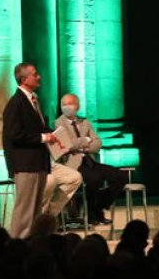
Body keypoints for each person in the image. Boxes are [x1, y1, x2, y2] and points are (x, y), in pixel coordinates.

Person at [3, 62, 66, 239]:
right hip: (25, 163)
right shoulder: (16, 103)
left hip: (37, 162)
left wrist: (52, 135)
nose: (39, 77)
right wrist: (43, 138)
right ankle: (17, 245)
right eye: (35, 74)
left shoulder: (33, 100)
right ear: (24, 79)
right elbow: (14, 134)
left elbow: (38, 127)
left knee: (36, 209)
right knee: (25, 210)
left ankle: (32, 244)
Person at [54, 93, 128, 225]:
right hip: (74, 164)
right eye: (63, 104)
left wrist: (84, 147)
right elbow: (68, 144)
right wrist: (86, 140)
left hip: (90, 160)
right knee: (95, 179)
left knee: (120, 176)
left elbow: (98, 143)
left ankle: (98, 206)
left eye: (69, 104)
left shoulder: (85, 122)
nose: (66, 107)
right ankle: (93, 214)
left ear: (77, 106)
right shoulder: (59, 122)